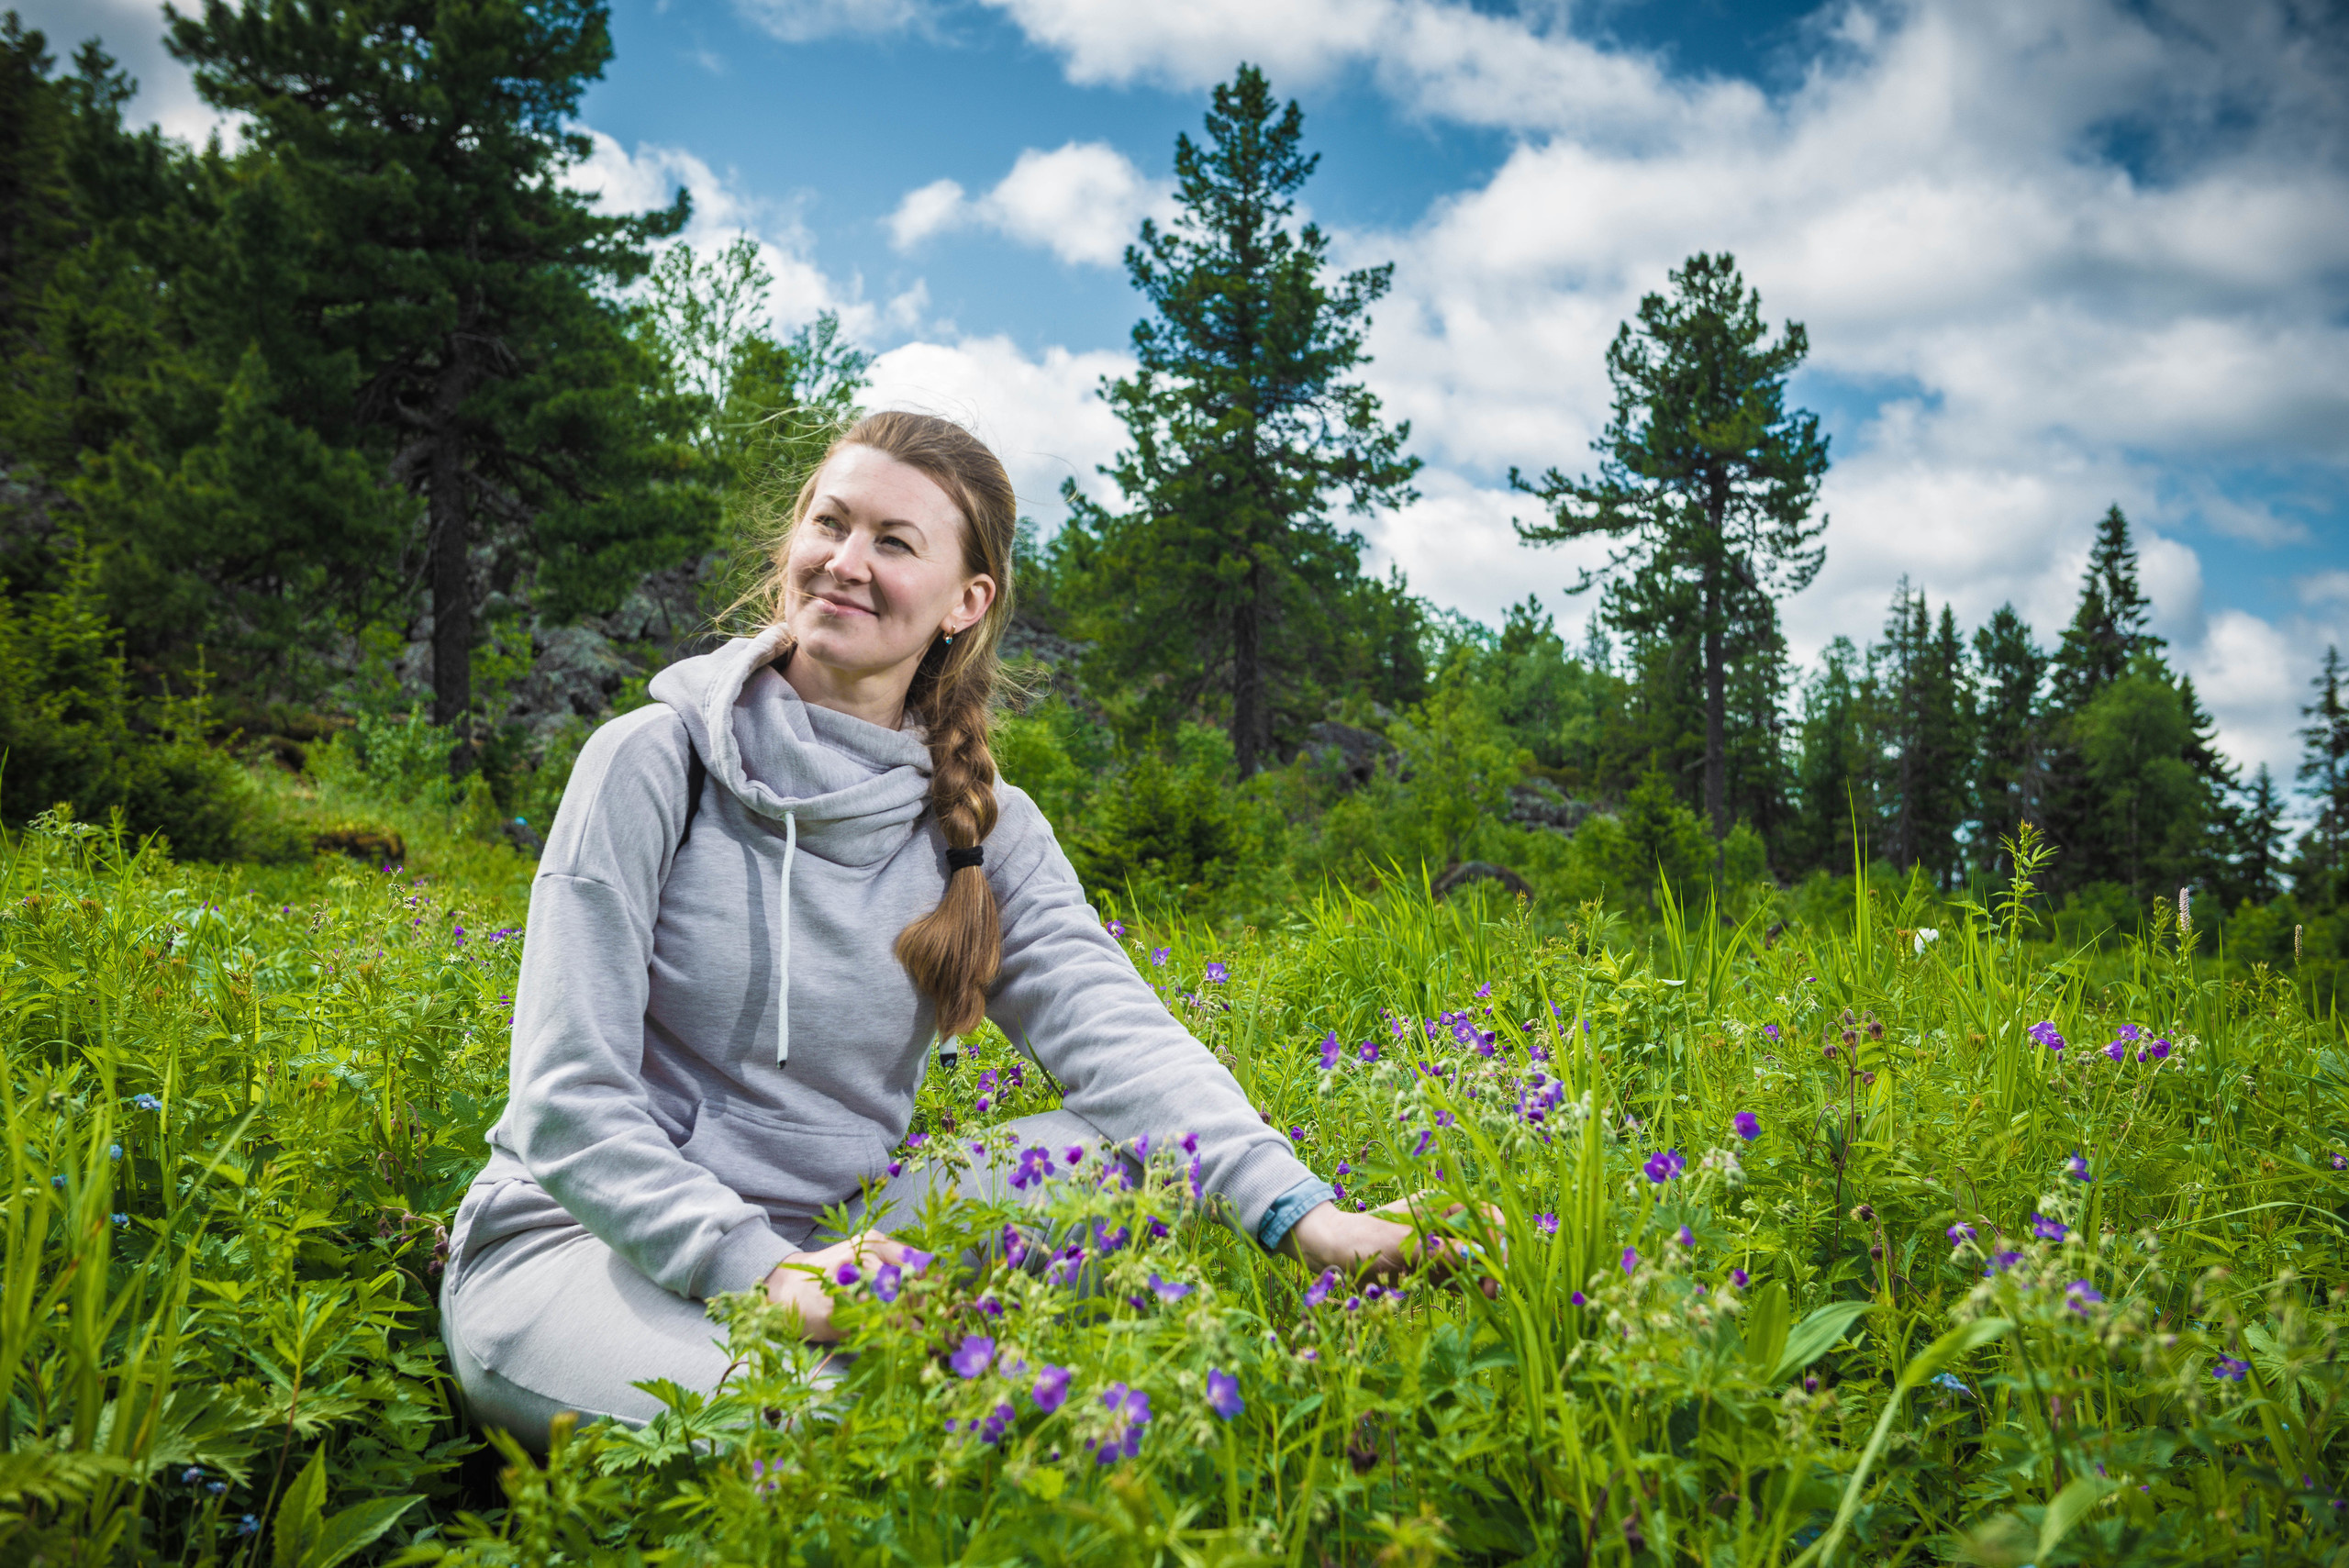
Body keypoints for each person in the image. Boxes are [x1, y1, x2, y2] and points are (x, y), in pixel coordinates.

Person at [439, 411, 1442, 1446]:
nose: (844, 562)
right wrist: (765, 1275)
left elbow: (1120, 1033)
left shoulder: (984, 820)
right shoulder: (652, 760)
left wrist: (1308, 1216)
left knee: (1150, 1158)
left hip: (836, 1238)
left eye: (894, 542)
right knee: (865, 1437)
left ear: (967, 603)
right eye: (829, 523)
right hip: (582, 1243)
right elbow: (567, 1101)